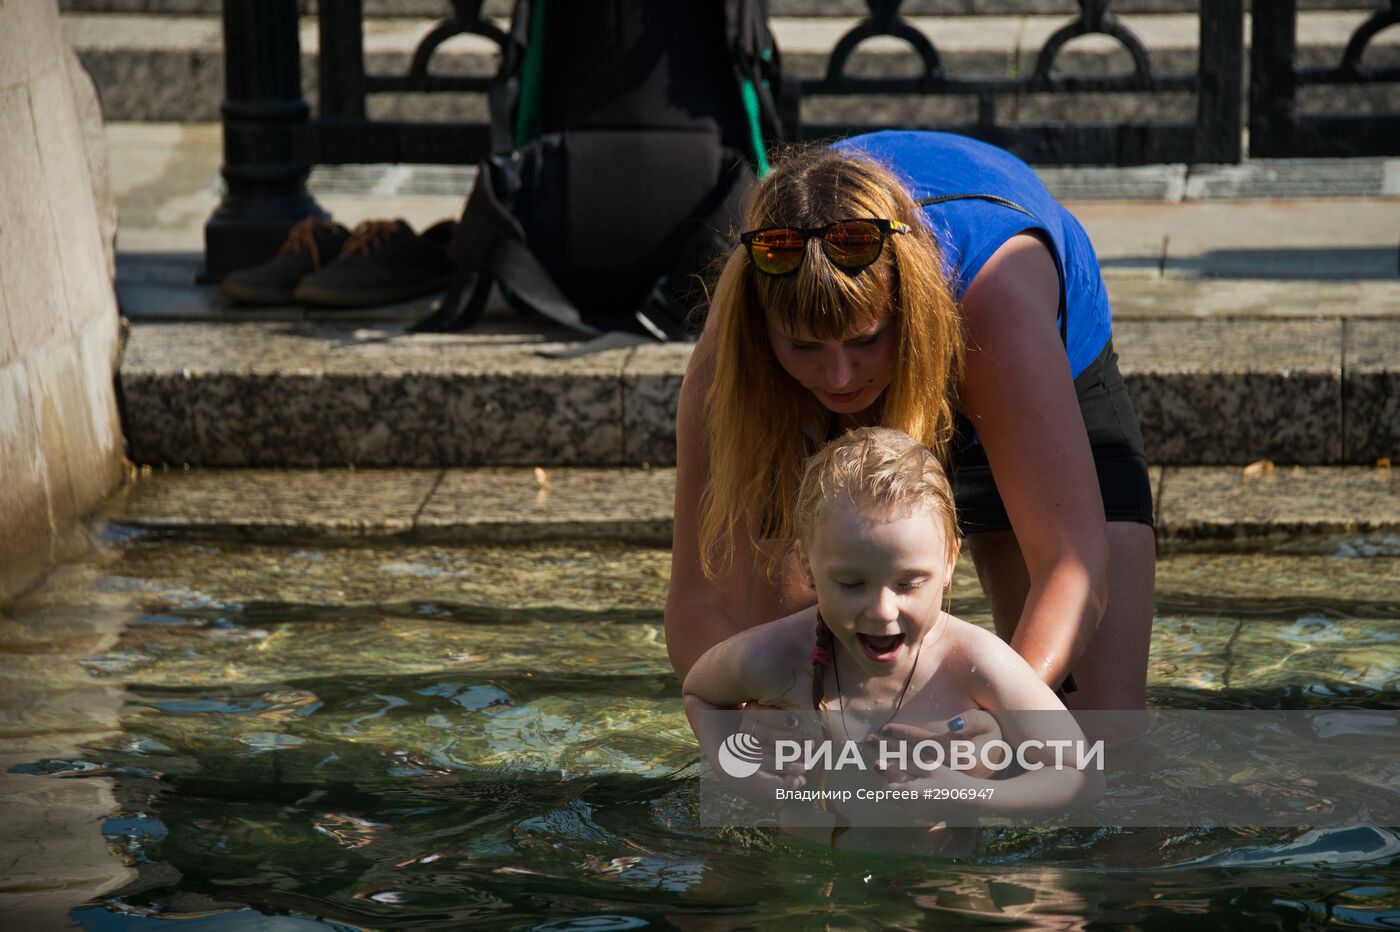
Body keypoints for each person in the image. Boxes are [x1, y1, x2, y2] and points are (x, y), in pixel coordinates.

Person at [665, 129, 1155, 743]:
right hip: (844, 377)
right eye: (805, 347)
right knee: (804, 686)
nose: (839, 377)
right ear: (765, 331)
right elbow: (700, 602)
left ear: (906, 308)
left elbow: (1073, 567)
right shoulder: (735, 350)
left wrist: (979, 719)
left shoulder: (995, 304)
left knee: (1103, 743)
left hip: (1006, 362)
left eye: (866, 341)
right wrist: (756, 722)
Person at [683, 428, 1100, 852]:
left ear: (950, 559)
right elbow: (700, 692)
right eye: (850, 583)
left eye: (908, 583)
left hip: (940, 888)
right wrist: (735, 767)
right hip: (806, 888)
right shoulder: (779, 655)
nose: (883, 610)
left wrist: (967, 792)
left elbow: (1080, 774)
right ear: (807, 565)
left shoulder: (973, 662)